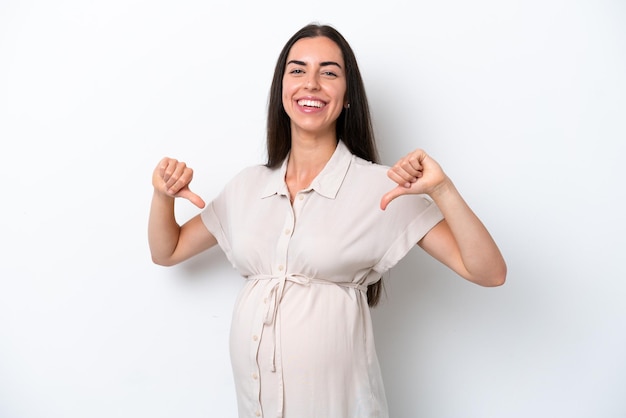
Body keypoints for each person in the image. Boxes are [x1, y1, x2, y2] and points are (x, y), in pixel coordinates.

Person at [148, 23, 506, 418]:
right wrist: (162, 197)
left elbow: (488, 272)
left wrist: (442, 190)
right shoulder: (247, 186)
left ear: (348, 94)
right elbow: (168, 250)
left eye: (329, 72)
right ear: (280, 88)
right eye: (298, 70)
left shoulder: (380, 189)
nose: (311, 84)